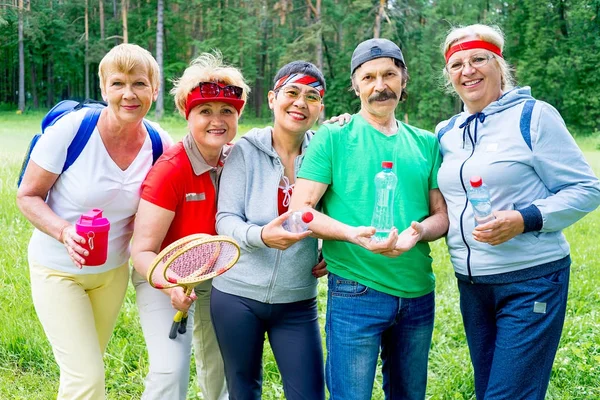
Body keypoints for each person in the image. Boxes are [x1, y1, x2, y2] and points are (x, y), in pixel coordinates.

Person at [435, 24, 600, 399]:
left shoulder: (533, 116)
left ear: (499, 65)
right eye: (457, 64)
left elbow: (587, 189)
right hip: (473, 285)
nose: (468, 70)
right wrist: (346, 126)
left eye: (479, 59)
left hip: (531, 281)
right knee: (489, 390)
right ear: (449, 76)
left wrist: (524, 219)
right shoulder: (447, 132)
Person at [290, 39, 448, 400]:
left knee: (410, 394)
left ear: (404, 79)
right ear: (356, 85)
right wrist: (351, 234)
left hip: (418, 291)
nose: (380, 85)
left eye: (390, 74)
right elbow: (301, 210)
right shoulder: (334, 136)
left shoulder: (425, 143)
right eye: (369, 77)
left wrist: (419, 231)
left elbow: (441, 217)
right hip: (355, 290)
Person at [15, 43, 172, 399]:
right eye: (118, 84)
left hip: (110, 276)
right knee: (86, 379)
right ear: (103, 89)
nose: (128, 94)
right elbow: (27, 196)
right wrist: (64, 231)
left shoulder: (159, 142)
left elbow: (199, 166)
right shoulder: (72, 131)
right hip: (57, 271)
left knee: (85, 370)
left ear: (154, 89)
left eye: (139, 84)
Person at [130, 52, 249, 400]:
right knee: (170, 370)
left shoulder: (237, 158)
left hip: (215, 273)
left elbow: (288, 141)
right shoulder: (171, 170)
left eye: (226, 111)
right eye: (205, 111)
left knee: (221, 368)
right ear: (188, 114)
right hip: (162, 273)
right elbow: (141, 250)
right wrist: (169, 287)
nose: (217, 120)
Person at [210, 61, 328, 400]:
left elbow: (335, 214)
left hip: (297, 300)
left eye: (312, 96)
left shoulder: (325, 153)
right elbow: (226, 218)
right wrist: (261, 236)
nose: (300, 103)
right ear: (274, 98)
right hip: (236, 295)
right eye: (292, 93)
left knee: (308, 393)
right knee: (243, 390)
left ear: (320, 107)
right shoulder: (245, 150)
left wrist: (332, 252)